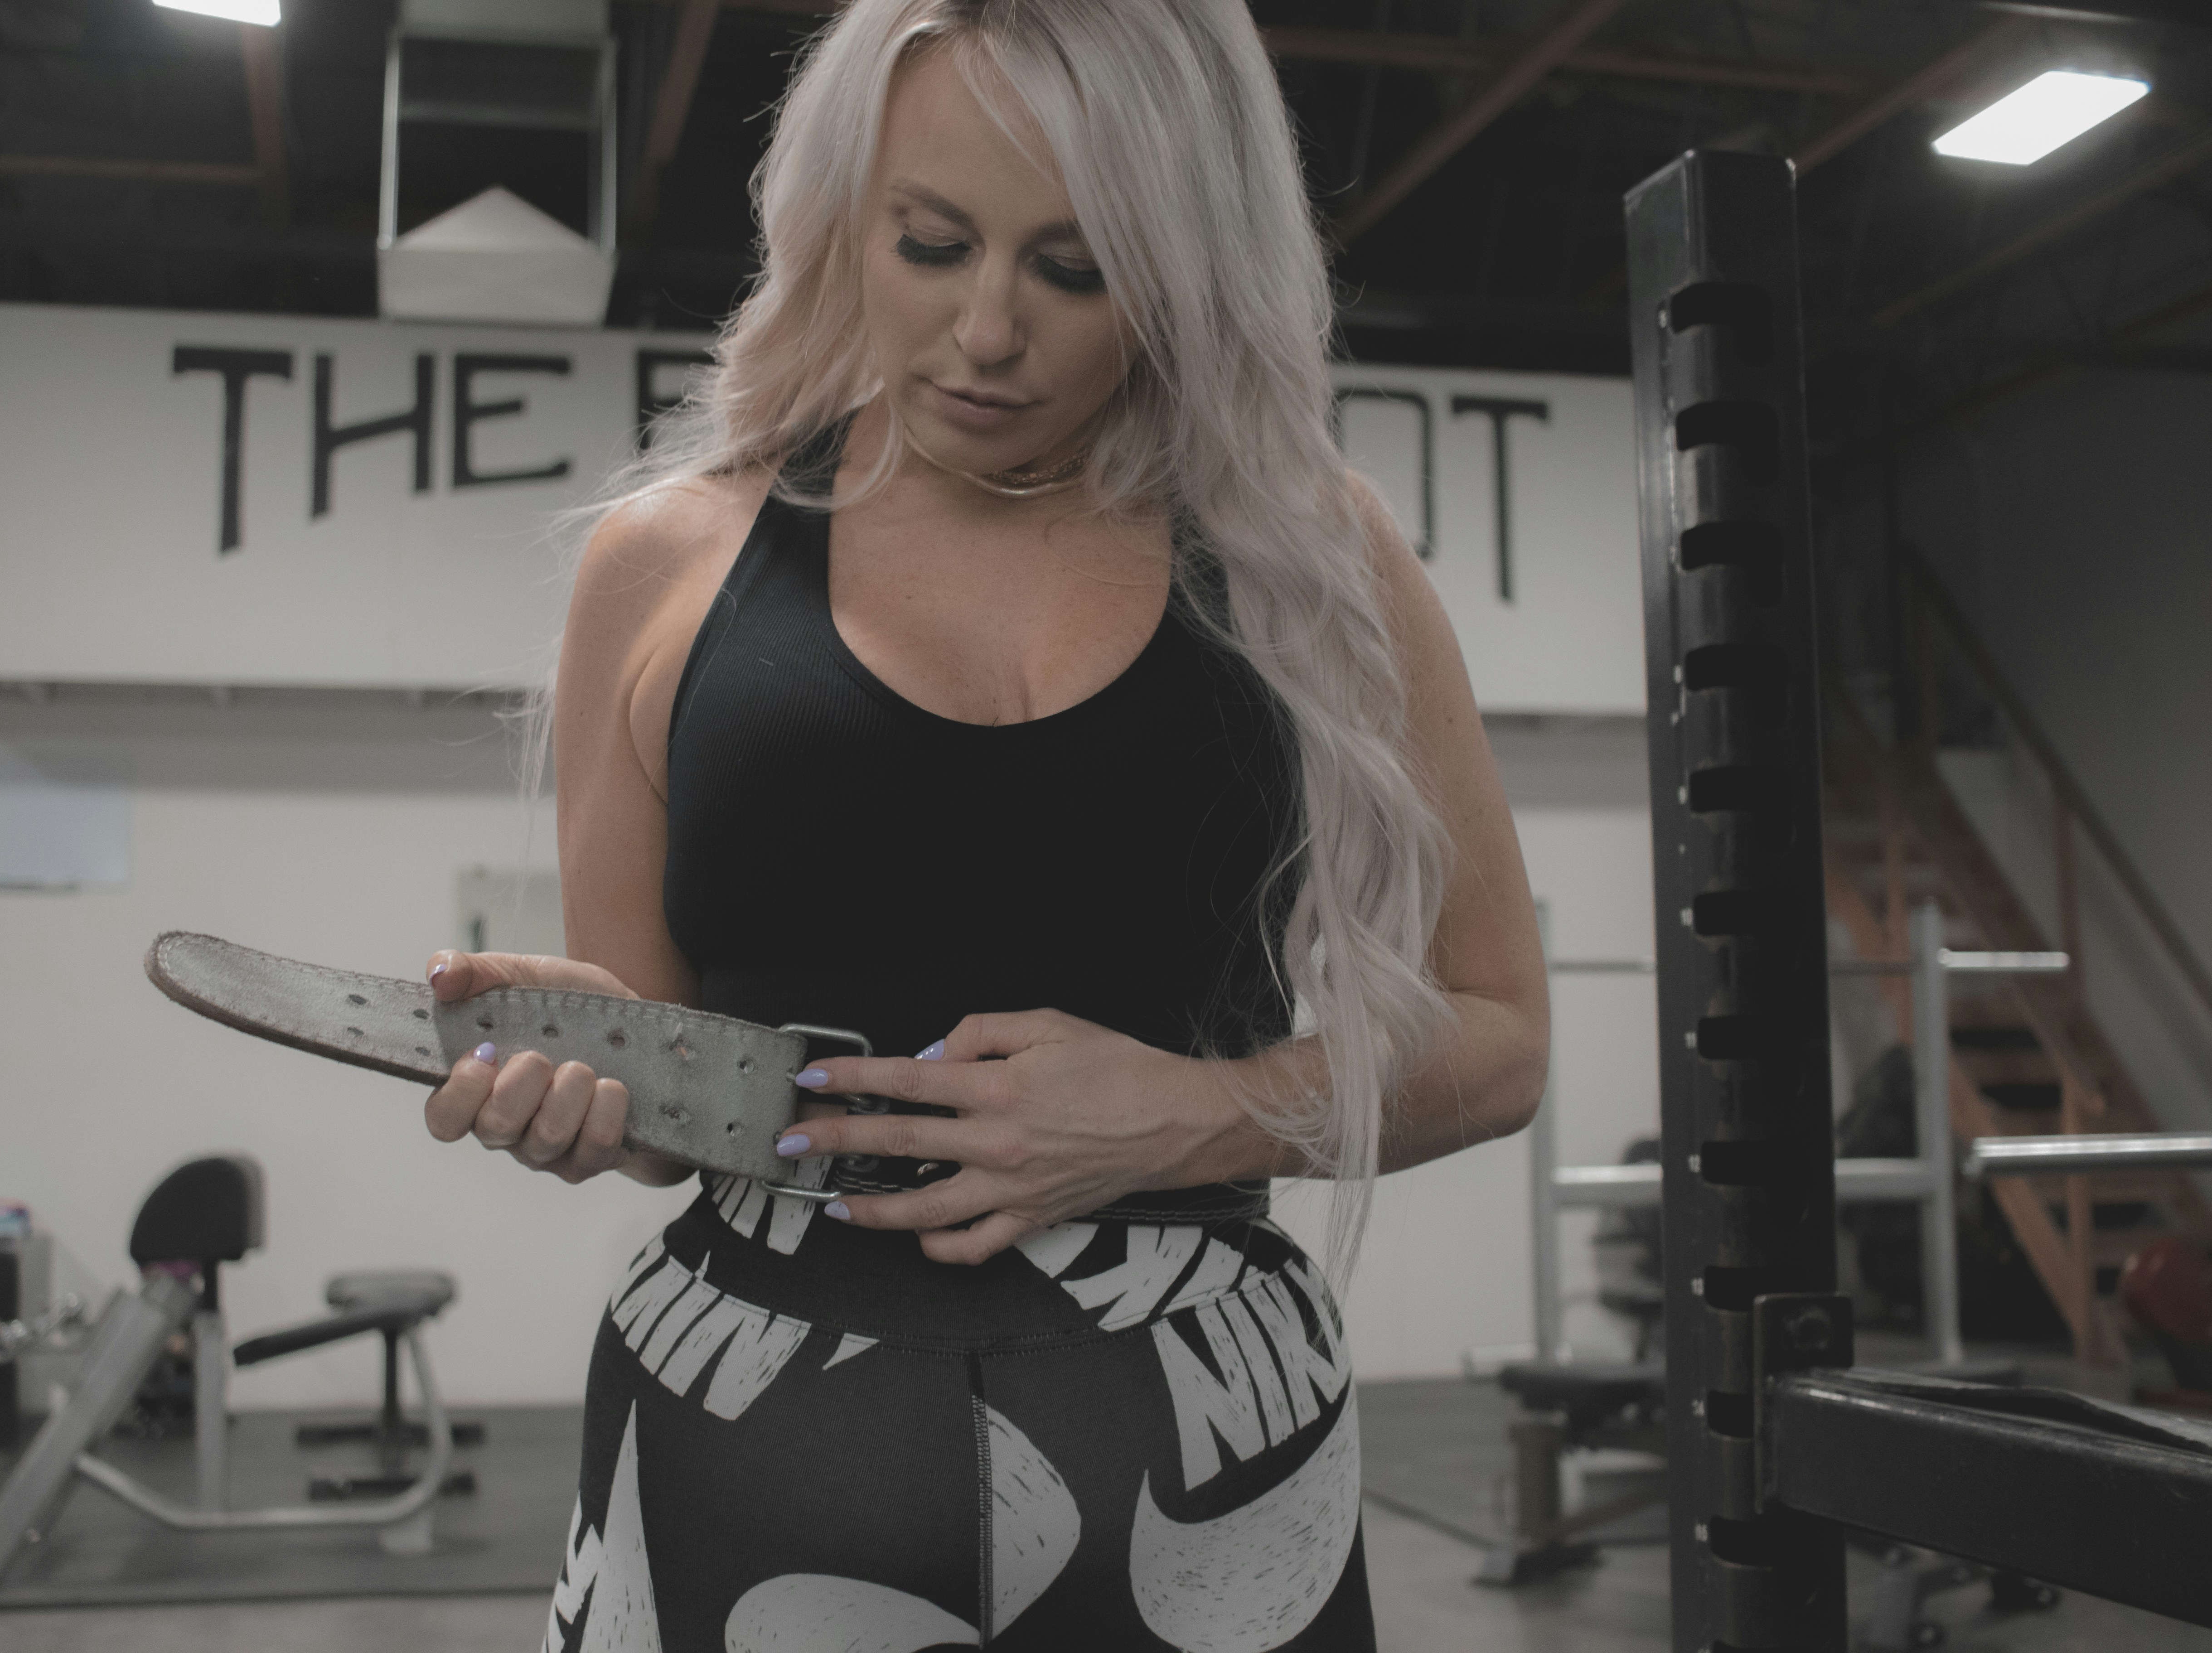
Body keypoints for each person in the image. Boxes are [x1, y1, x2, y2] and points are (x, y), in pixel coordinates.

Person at [419, 0, 1546, 1646]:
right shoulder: (668, 564)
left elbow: (1503, 1037)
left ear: (1185, 268)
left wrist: (1205, 1113)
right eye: (931, 245)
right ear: (842, 220)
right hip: (750, 1444)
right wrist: (593, 1078)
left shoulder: (1314, 556)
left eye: (1076, 272)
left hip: (1208, 1458)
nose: (988, 331)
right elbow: (670, 1107)